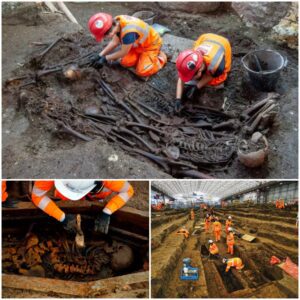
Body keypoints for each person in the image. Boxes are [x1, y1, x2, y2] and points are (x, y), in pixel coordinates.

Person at [31, 180, 134, 234]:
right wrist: (62, 217)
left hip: (97, 194)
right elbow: (37, 196)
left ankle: (97, 195)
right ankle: (66, 196)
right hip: (68, 195)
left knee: (103, 192)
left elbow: (128, 191)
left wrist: (107, 212)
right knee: (62, 196)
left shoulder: (111, 179)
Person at [88, 13, 167, 77]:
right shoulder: (116, 22)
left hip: (151, 45)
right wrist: (100, 55)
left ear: (110, 32)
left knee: (142, 71)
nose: (104, 38)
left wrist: (105, 58)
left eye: (104, 36)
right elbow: (114, 42)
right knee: (124, 62)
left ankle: (161, 58)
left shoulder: (128, 33)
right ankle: (143, 57)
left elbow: (123, 52)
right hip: (138, 44)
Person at [174, 33, 231, 112]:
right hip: (206, 37)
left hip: (223, 43)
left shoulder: (216, 65)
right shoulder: (190, 57)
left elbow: (210, 76)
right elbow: (181, 78)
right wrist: (178, 99)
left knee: (217, 80)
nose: (190, 80)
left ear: (200, 70)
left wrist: (196, 87)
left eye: (191, 77)